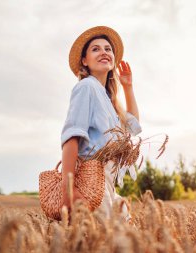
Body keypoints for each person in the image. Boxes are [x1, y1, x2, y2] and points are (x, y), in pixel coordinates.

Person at [60, 26, 142, 220]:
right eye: (95, 49)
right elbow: (71, 136)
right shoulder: (86, 86)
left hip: (109, 182)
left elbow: (133, 125)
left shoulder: (108, 98)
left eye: (108, 49)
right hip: (91, 179)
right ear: (84, 61)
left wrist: (128, 87)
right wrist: (68, 190)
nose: (104, 52)